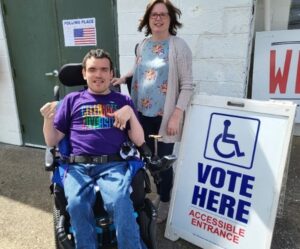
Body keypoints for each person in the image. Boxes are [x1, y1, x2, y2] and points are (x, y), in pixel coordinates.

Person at [40, 49, 147, 249]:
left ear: (111, 73)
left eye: (104, 69)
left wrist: (130, 113)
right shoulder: (71, 101)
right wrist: (48, 120)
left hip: (113, 164)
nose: (98, 75)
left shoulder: (123, 101)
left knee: (120, 200)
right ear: (84, 73)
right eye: (92, 69)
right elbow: (52, 140)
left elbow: (139, 140)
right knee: (77, 204)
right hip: (78, 166)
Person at [112, 0, 194, 223]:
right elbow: (140, 68)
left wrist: (176, 114)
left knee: (162, 162)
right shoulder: (143, 44)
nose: (158, 18)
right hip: (141, 115)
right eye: (154, 15)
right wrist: (124, 78)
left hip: (163, 117)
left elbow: (187, 85)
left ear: (171, 19)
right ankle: (149, 194)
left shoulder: (179, 46)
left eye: (163, 14)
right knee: (145, 157)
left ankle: (166, 200)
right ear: (148, 19)